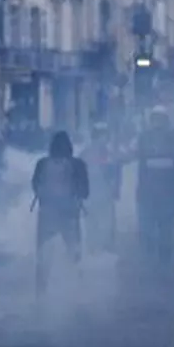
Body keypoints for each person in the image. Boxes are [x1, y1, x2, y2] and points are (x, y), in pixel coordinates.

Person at [31, 131, 90, 294]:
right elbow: (85, 191)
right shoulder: (78, 165)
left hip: (47, 214)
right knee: (74, 254)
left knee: (44, 257)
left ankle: (40, 293)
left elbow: (35, 186)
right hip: (70, 214)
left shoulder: (42, 164)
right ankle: (77, 291)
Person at [136, 107, 174, 265]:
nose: (158, 123)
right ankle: (159, 253)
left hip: (159, 193)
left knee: (161, 226)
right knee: (162, 226)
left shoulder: (148, 138)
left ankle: (157, 253)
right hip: (160, 193)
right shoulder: (170, 139)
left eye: (159, 119)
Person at [80, 122, 122, 253]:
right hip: (91, 194)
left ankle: (106, 246)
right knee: (92, 222)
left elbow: (116, 172)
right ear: (95, 137)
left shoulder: (109, 153)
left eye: (105, 136)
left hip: (105, 194)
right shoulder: (86, 153)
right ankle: (93, 247)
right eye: (101, 136)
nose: (104, 139)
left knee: (107, 223)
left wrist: (115, 188)